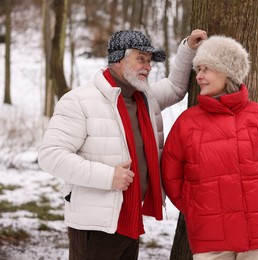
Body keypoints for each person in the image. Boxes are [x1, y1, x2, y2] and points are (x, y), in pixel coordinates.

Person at [38, 29, 207, 260]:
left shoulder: (145, 97)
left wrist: (189, 49)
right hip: (95, 225)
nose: (148, 66)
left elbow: (176, 88)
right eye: (141, 59)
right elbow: (50, 156)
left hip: (129, 218)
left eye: (149, 61)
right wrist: (108, 176)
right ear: (118, 59)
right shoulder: (79, 101)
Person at [161, 35, 258, 260]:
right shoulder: (187, 122)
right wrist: (196, 207)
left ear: (229, 72)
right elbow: (172, 176)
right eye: (199, 69)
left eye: (207, 69)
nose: (200, 76)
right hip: (210, 234)